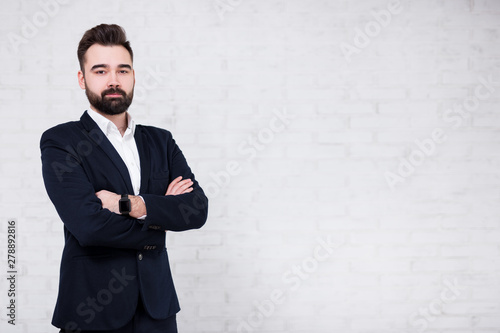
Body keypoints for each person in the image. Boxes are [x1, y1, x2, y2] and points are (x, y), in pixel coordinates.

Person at [40, 23, 208, 333]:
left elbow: (196, 209)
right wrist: (159, 220)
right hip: (91, 310)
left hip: (157, 311)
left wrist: (127, 204)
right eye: (101, 71)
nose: (114, 81)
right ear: (82, 78)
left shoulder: (161, 141)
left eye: (123, 70)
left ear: (133, 76)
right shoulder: (61, 141)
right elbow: (88, 227)